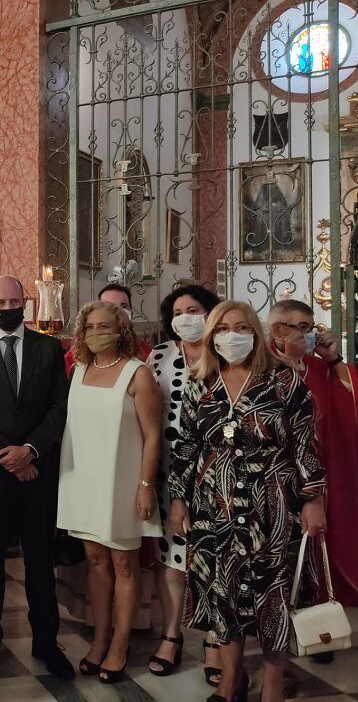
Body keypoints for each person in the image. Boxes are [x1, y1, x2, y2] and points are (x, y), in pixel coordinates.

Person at [170, 300, 326, 702]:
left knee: (272, 591)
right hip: (213, 505)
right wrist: (178, 500)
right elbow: (186, 446)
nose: (231, 335)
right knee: (223, 592)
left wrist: (312, 499)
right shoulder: (199, 384)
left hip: (272, 504)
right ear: (211, 337)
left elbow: (306, 445)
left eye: (241, 327)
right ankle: (231, 678)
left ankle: (273, 683)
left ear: (256, 334)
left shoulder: (284, 381)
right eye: (222, 329)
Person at [0, 276, 74, 681]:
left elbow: (59, 406)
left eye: (13, 300)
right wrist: (9, 455)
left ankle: (46, 642)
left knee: (40, 563)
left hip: (36, 473)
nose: (6, 306)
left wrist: (31, 451)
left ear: (26, 301)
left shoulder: (48, 347)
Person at [57, 301, 162, 684]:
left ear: (121, 329)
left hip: (123, 482)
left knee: (123, 565)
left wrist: (145, 486)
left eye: (106, 325)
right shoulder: (79, 369)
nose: (97, 331)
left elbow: (152, 436)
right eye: (90, 325)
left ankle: (120, 645)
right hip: (83, 480)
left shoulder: (138, 374)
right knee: (95, 562)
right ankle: (99, 639)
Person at [269, 298, 358, 633]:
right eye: (301, 328)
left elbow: (357, 409)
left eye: (310, 328)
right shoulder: (262, 367)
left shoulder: (319, 369)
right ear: (277, 330)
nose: (308, 336)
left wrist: (335, 360)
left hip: (319, 476)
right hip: (274, 478)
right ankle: (272, 622)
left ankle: (316, 623)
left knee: (316, 549)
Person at [145, 284, 221, 681]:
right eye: (178, 311)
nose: (185, 316)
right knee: (171, 558)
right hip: (167, 472)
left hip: (217, 473)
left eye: (194, 309)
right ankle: (171, 634)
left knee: (213, 559)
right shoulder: (159, 355)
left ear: (210, 314)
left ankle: (214, 640)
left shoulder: (226, 354)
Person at [64, 284, 151, 375]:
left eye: (124, 306)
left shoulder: (147, 353)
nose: (119, 311)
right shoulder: (77, 354)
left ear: (131, 312)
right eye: (109, 306)